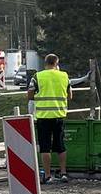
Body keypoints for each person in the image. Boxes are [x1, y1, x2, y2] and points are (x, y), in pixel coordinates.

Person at [27, 53, 73, 183]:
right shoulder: (64, 76)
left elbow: (29, 95)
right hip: (59, 115)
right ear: (56, 64)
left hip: (43, 116)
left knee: (45, 146)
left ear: (45, 63)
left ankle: (47, 176)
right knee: (60, 145)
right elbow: (70, 95)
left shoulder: (37, 76)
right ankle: (63, 173)